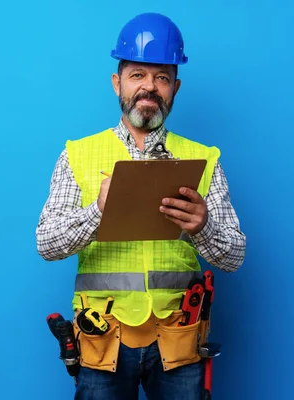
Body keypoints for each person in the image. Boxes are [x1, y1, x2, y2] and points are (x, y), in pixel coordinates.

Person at [36, 12, 246, 400]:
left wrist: (203, 226)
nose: (149, 87)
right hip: (103, 342)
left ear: (175, 88)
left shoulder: (203, 160)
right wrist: (98, 211)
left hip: (178, 342)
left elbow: (234, 256)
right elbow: (47, 245)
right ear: (118, 83)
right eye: (137, 75)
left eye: (161, 78)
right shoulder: (78, 155)